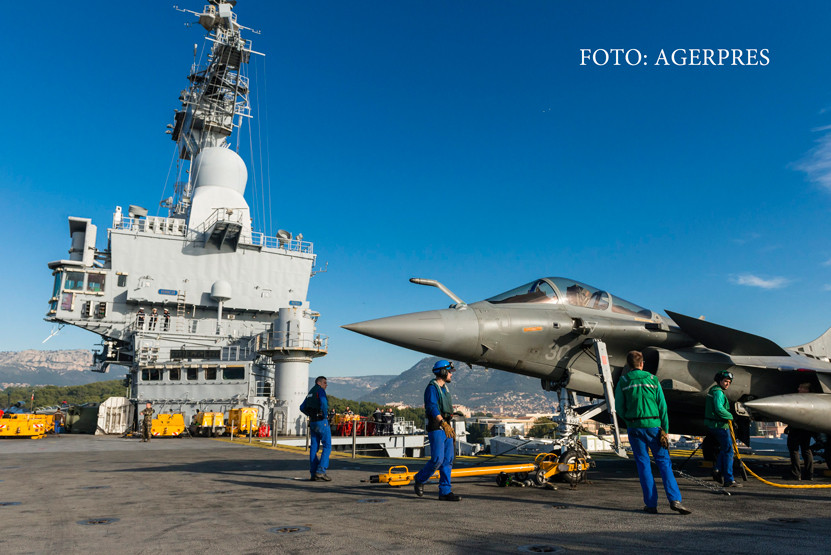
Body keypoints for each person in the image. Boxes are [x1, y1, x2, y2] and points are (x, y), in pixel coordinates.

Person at [614, 351, 691, 514]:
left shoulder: (624, 381)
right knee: (664, 463)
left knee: (643, 465)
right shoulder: (653, 380)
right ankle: (675, 500)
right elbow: (663, 407)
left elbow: (619, 407)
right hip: (654, 426)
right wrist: (666, 430)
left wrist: (629, 421)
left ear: (628, 365)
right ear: (642, 364)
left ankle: (651, 504)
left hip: (634, 427)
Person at [413, 360, 461, 501]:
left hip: (446, 425)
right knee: (437, 459)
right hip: (437, 426)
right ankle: (420, 478)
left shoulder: (445, 388)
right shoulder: (432, 388)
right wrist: (443, 423)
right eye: (450, 372)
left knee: (448, 460)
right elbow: (432, 407)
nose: (451, 375)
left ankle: (445, 492)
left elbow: (444, 407)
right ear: (443, 372)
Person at [705, 370, 740, 487]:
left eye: (729, 382)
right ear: (720, 381)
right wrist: (731, 417)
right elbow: (719, 409)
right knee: (729, 451)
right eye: (725, 381)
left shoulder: (713, 391)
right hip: (720, 426)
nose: (727, 384)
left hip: (713, 426)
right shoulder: (718, 393)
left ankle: (717, 469)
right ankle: (729, 479)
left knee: (724, 450)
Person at [302, 376, 332, 481]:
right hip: (321, 422)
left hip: (313, 422)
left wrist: (310, 414)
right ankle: (321, 471)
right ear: (319, 383)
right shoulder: (320, 391)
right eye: (324, 383)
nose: (326, 385)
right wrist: (325, 415)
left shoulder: (310, 393)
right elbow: (323, 403)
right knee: (327, 446)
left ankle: (313, 473)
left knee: (314, 447)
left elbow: (302, 407)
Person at [786, 382, 815, 480]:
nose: (799, 389)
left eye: (801, 388)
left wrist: (790, 426)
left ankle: (796, 473)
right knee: (806, 450)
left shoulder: (799, 400)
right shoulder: (813, 401)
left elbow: (795, 414)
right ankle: (809, 474)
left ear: (807, 390)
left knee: (794, 450)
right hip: (806, 428)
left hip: (796, 428)